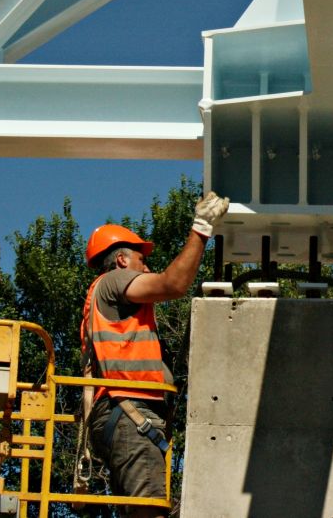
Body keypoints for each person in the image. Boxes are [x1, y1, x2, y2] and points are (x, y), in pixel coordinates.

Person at [80, 191, 229, 518]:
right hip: (129, 414)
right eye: (140, 259)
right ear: (121, 260)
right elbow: (173, 284)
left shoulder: (95, 308)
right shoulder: (115, 282)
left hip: (116, 417)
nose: (145, 266)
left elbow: (88, 381)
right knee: (149, 512)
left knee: (146, 509)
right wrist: (202, 227)